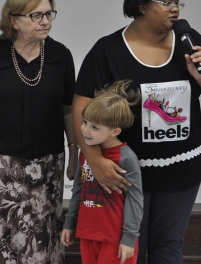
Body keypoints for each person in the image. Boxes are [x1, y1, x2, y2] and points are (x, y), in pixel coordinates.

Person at [73, 0, 201, 264]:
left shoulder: (190, 42)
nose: (175, 9)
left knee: (169, 246)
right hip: (126, 173)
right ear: (142, 5)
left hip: (182, 168)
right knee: (130, 248)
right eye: (166, 1)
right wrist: (94, 161)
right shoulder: (108, 50)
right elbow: (81, 109)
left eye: (178, 3)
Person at [0, 0, 77, 264]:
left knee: (42, 233)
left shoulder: (61, 56)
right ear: (14, 20)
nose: (46, 21)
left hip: (47, 164)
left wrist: (75, 153)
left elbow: (69, 110)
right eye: (36, 15)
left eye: (49, 14)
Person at [62, 80, 143, 264]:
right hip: (87, 233)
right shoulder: (87, 153)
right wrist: (70, 222)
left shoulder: (126, 158)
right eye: (85, 122)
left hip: (115, 239)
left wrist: (129, 238)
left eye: (94, 127)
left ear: (115, 131)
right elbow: (78, 190)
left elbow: (135, 199)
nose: (85, 130)